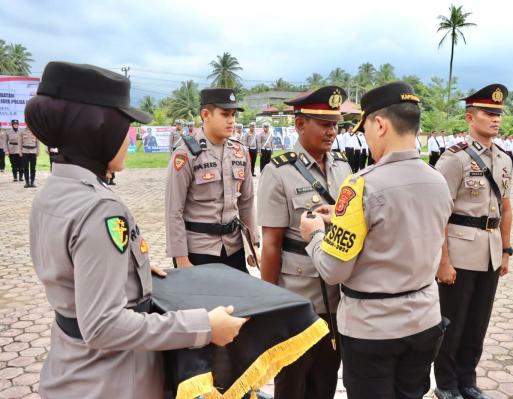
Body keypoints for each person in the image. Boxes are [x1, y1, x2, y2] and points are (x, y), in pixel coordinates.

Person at [25, 61, 247, 399]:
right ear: (98, 131)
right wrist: (204, 327)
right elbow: (104, 325)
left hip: (71, 368)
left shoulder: (55, 190)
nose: (129, 139)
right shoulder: (100, 209)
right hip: (110, 379)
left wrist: (134, 269)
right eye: (124, 128)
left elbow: (75, 273)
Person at [299, 81, 453, 399]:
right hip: (425, 323)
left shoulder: (361, 185)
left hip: (374, 330)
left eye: (365, 128)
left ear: (380, 124)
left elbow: (334, 269)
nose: (365, 139)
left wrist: (313, 235)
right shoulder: (438, 181)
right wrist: (340, 218)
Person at [257, 85, 351, 399]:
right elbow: (271, 244)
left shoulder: (343, 166)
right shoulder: (278, 171)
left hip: (338, 296)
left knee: (326, 378)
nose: (332, 132)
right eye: (324, 124)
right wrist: (270, 305)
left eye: (335, 124)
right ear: (300, 125)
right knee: (293, 382)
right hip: (297, 298)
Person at [434, 84, 513, 399]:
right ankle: (446, 384)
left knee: (478, 323)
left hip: (491, 252)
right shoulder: (454, 158)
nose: (495, 119)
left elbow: (506, 208)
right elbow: (438, 213)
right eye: (488, 113)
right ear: (470, 117)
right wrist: (443, 260)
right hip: (460, 252)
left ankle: (467, 380)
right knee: (452, 323)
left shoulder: (504, 159)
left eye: (498, 114)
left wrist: (506, 250)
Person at [165, 88, 259, 272]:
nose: (232, 120)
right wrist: (181, 258)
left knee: (237, 300)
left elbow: (246, 203)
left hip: (234, 247)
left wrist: (253, 245)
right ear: (206, 114)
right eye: (225, 114)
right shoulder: (186, 154)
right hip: (199, 249)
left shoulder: (240, 152)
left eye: (233, 114)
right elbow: (173, 210)